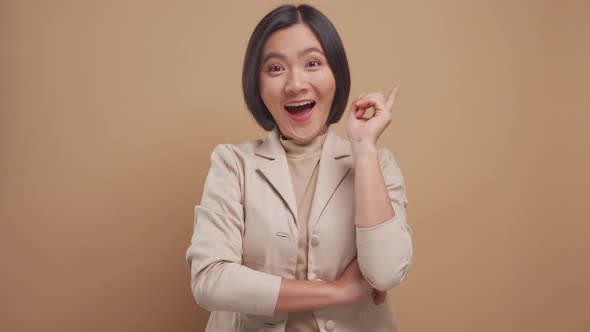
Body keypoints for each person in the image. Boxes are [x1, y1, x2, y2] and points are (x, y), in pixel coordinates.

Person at [186, 4, 413, 331]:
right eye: (276, 68)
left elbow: (387, 271)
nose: (295, 84)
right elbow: (209, 281)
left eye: (312, 63)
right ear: (258, 84)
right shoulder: (232, 164)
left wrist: (363, 149)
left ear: (336, 74)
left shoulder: (379, 164)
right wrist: (339, 291)